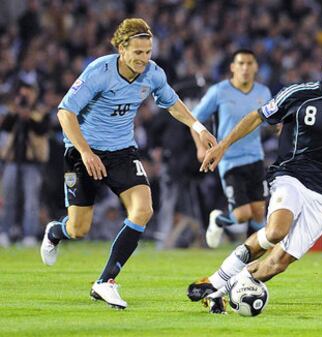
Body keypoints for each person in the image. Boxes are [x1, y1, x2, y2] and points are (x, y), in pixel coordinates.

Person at [40, 18, 216, 310]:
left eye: (148, 52)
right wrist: (85, 152)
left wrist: (197, 128)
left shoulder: (152, 74)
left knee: (143, 209)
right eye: (138, 52)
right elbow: (65, 113)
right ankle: (56, 232)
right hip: (84, 151)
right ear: (122, 48)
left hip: (122, 151)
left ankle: (105, 282)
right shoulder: (100, 71)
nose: (143, 59)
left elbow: (172, 102)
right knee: (79, 228)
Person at [187, 45, 322, 314]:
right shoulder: (298, 94)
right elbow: (257, 117)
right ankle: (216, 280)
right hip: (291, 176)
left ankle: (221, 290)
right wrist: (223, 145)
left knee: (278, 263)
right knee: (276, 230)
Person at [191, 49, 272, 248]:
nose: (245, 68)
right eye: (241, 63)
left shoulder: (264, 92)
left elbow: (270, 118)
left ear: (256, 67)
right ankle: (219, 220)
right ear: (233, 67)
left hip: (256, 157)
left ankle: (249, 260)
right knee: (243, 215)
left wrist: (278, 127)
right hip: (229, 159)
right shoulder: (219, 91)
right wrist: (200, 148)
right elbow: (194, 119)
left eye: (249, 63)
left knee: (259, 213)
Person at [0, 82, 49, 247]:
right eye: (22, 95)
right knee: (8, 199)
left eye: (28, 94)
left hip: (33, 162)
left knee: (31, 202)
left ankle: (29, 234)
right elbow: (5, 126)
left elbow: (42, 129)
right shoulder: (13, 112)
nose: (25, 98)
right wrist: (16, 111)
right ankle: (4, 233)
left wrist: (28, 116)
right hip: (12, 161)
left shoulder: (40, 113)